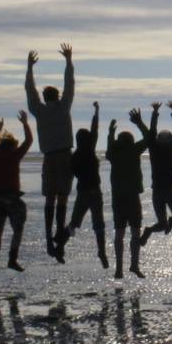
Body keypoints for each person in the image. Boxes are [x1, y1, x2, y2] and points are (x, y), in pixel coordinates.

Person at [25, 44, 76, 261]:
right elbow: (70, 85)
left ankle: (50, 238)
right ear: (56, 96)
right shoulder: (64, 107)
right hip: (65, 156)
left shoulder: (39, 111)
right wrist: (68, 61)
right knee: (62, 198)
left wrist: (29, 68)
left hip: (49, 158)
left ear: (45, 98)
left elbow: (30, 91)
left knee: (50, 200)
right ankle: (59, 240)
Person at [105, 111, 151, 278]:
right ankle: (133, 265)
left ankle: (119, 268)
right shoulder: (133, 150)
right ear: (131, 141)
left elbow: (110, 145)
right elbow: (148, 138)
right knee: (134, 232)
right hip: (132, 197)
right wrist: (139, 123)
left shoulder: (113, 154)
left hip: (118, 198)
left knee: (120, 233)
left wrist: (110, 133)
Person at [0, 111, 33, 272]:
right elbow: (29, 141)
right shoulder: (14, 155)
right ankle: (12, 259)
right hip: (12, 198)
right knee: (18, 230)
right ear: (13, 145)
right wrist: (25, 123)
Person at [67, 103, 110, 268]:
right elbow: (95, 129)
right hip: (93, 192)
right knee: (97, 223)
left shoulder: (75, 156)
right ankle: (101, 252)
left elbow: (72, 174)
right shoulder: (89, 150)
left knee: (74, 222)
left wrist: (97, 112)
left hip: (83, 192)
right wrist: (97, 111)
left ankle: (59, 245)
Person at [140, 101, 172, 242]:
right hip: (170, 189)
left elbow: (152, 132)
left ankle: (149, 230)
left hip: (158, 190)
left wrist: (155, 112)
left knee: (162, 223)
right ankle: (168, 223)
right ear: (171, 139)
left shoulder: (154, 148)